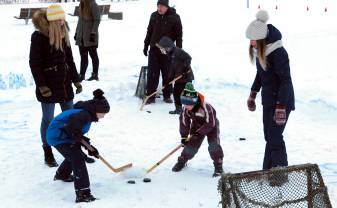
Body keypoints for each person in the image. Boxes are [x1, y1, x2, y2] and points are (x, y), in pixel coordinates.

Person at [29, 5, 83, 167]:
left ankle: (75, 150)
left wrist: (75, 79)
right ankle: (48, 151)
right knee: (48, 119)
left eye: (63, 18)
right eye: (59, 19)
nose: (62, 21)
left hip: (64, 84)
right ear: (52, 20)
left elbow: (70, 60)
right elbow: (35, 64)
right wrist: (42, 86)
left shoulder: (63, 33)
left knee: (72, 118)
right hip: (48, 86)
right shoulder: (39, 37)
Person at [245, 10, 295, 171]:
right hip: (268, 99)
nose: (251, 42)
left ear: (262, 39)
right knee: (269, 137)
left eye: (254, 39)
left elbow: (286, 81)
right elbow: (261, 75)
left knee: (274, 137)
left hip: (282, 100)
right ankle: (268, 170)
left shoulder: (278, 52)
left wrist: (281, 107)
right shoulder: (262, 51)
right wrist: (253, 93)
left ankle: (281, 172)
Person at [46, 89, 110, 203]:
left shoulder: (86, 114)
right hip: (58, 136)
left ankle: (62, 175)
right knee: (77, 158)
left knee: (75, 154)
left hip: (64, 135)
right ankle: (83, 193)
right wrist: (84, 144)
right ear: (97, 110)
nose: (103, 116)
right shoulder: (83, 114)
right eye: (103, 113)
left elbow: (77, 133)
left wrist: (90, 148)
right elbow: (73, 130)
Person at [172, 83, 224, 177]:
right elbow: (184, 122)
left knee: (214, 145)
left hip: (211, 126)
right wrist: (184, 137)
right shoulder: (186, 109)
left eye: (188, 104)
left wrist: (199, 132)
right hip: (196, 125)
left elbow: (210, 123)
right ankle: (182, 160)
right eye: (184, 104)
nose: (186, 106)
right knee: (191, 144)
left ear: (194, 101)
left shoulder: (205, 106)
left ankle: (218, 166)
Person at [143, 0, 183, 104]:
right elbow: (149, 31)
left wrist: (178, 51)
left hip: (167, 51)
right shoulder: (153, 15)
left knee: (167, 74)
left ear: (167, 7)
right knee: (152, 73)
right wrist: (145, 45)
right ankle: (150, 96)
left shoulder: (175, 17)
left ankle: (167, 95)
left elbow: (179, 36)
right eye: (158, 6)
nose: (159, 8)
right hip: (154, 49)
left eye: (162, 6)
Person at [157, 36, 194, 114]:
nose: (162, 50)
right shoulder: (170, 55)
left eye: (162, 48)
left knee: (186, 94)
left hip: (186, 76)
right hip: (178, 78)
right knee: (176, 93)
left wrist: (186, 68)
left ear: (167, 47)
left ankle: (192, 110)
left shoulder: (177, 51)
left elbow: (188, 58)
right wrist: (169, 80)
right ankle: (179, 109)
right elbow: (173, 68)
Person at [75, 0, 101, 81]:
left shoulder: (93, 4)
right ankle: (82, 75)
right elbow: (80, 21)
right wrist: (76, 33)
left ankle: (95, 74)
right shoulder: (81, 4)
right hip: (81, 36)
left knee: (93, 55)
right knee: (83, 56)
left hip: (90, 36)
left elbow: (97, 20)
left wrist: (93, 32)